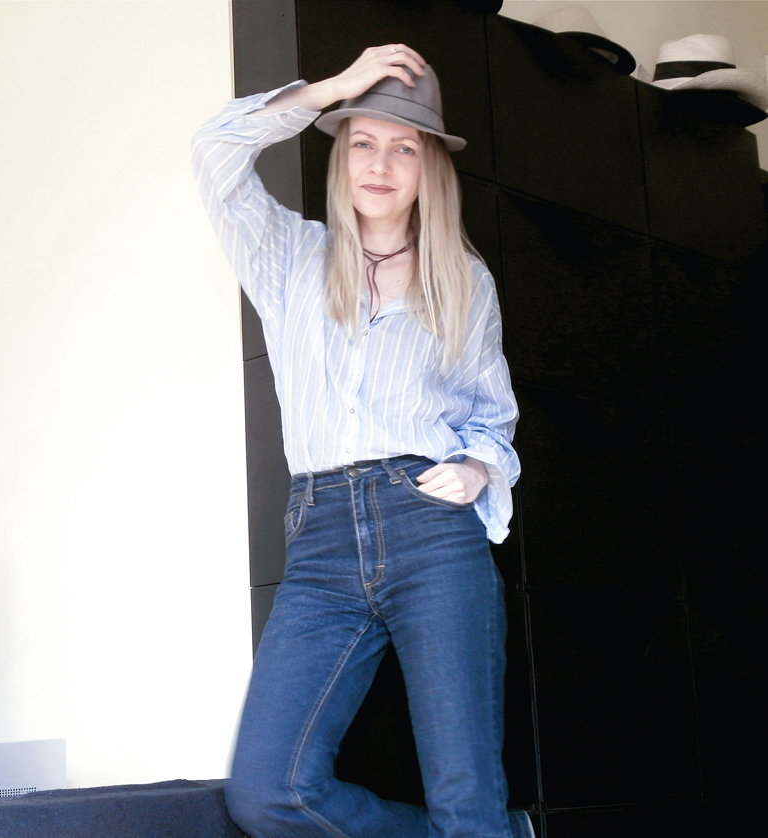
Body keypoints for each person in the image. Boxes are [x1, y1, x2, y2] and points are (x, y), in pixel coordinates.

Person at [192, 44, 530, 838]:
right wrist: (334, 89)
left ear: (429, 167)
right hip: (320, 542)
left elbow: (494, 414)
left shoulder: (464, 280)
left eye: (404, 146)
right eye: (363, 140)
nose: (381, 163)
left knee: (465, 797)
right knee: (269, 794)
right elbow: (213, 150)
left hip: (434, 532)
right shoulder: (289, 259)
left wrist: (481, 465)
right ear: (341, 152)